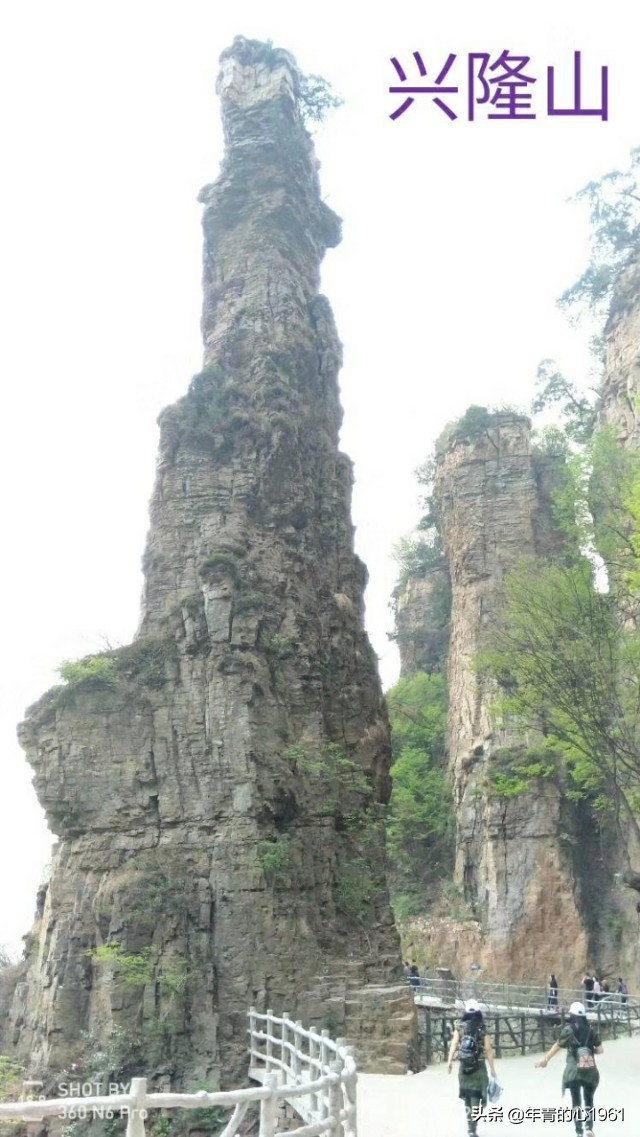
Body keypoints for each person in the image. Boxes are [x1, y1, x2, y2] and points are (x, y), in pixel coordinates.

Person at [535, 1000, 603, 1137]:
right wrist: (589, 1051)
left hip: (573, 1071)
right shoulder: (591, 1031)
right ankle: (589, 1127)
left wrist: (546, 1059)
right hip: (589, 1069)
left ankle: (579, 1132)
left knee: (576, 1101)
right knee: (588, 1098)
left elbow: (557, 1046)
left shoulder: (568, 1030)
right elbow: (600, 1050)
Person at [447, 998, 498, 1137]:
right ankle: (473, 1128)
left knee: (468, 1099)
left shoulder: (460, 1027)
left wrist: (449, 1061)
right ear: (478, 1011)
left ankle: (470, 1126)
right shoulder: (483, 1028)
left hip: (464, 1069)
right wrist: (493, 1070)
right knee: (477, 1099)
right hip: (479, 1069)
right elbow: (488, 1050)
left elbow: (454, 1044)